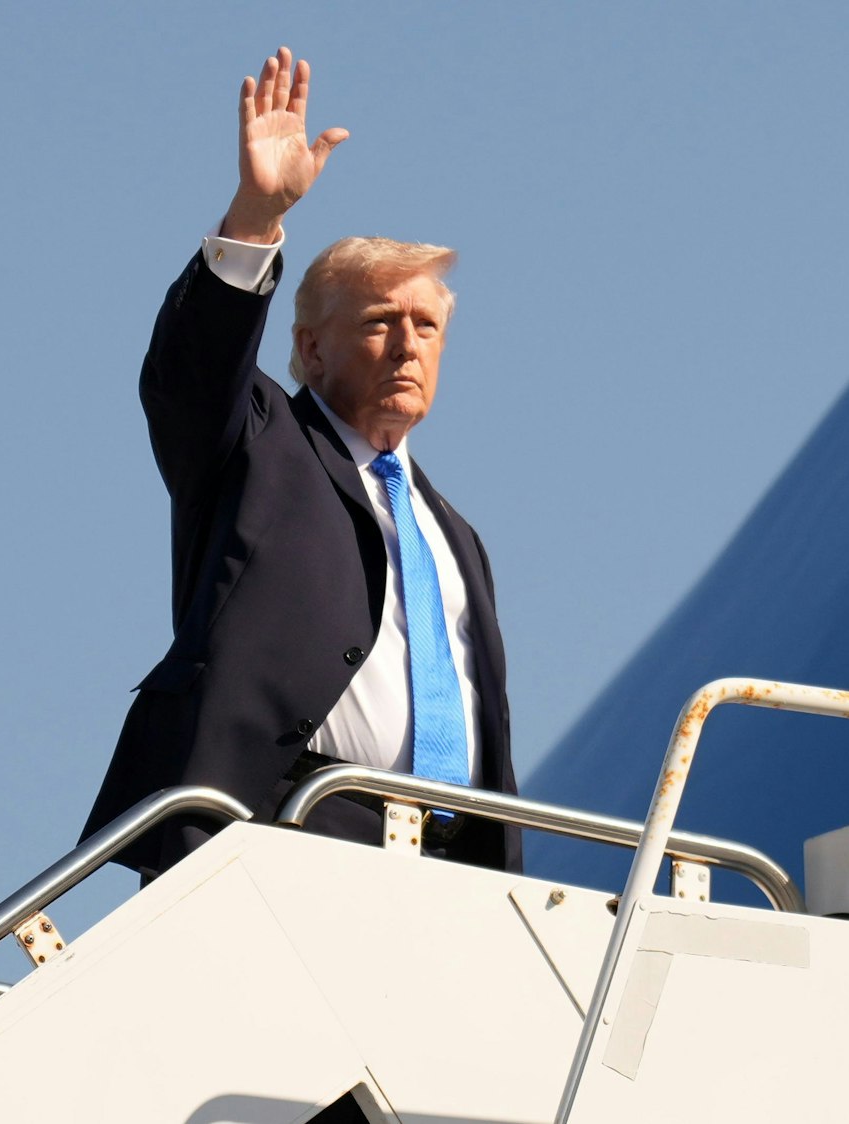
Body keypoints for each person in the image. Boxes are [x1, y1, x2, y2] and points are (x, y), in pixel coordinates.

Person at [83, 47, 521, 881]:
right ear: (309, 348)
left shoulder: (452, 534)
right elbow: (190, 374)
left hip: (451, 860)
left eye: (425, 327)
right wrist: (254, 217)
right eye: (377, 322)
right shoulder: (260, 444)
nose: (405, 346)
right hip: (280, 827)